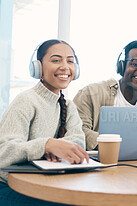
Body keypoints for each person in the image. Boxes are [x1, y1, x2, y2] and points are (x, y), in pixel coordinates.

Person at [0, 39, 88, 205]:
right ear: (38, 68)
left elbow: (78, 141)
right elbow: (3, 152)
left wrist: (57, 147)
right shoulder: (26, 100)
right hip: (10, 186)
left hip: (44, 184)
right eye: (56, 60)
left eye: (70, 61)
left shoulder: (68, 105)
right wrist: (46, 145)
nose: (65, 66)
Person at [73, 40, 137, 151]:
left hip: (134, 163)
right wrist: (117, 147)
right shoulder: (91, 93)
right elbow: (77, 131)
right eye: (135, 64)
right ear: (121, 66)